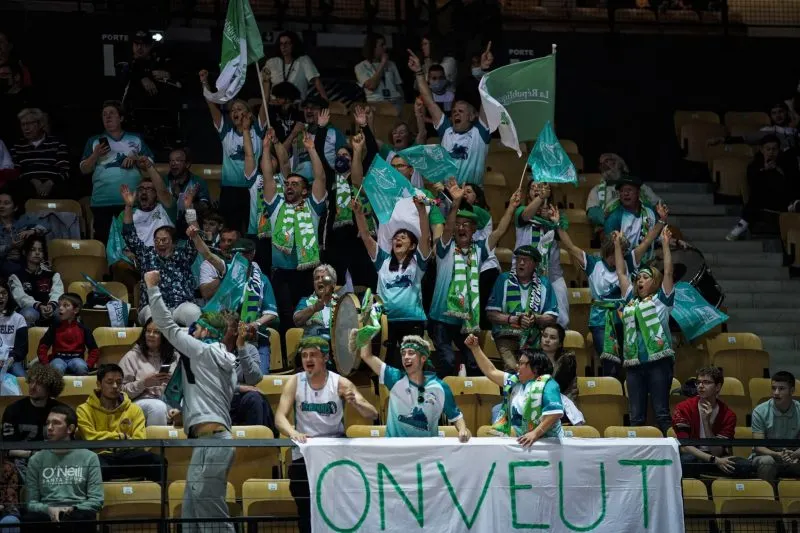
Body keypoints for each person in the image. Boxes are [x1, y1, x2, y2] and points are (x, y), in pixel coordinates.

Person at [144, 269, 238, 533]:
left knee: (211, 513)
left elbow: (168, 327)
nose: (190, 333)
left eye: (194, 329)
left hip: (215, 442)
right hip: (208, 440)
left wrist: (153, 288)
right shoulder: (223, 361)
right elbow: (213, 399)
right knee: (191, 512)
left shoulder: (203, 351)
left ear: (206, 333)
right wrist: (186, 413)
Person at [275, 336, 378, 533]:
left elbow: (372, 413)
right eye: (304, 355)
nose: (307, 359)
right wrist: (292, 431)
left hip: (334, 456)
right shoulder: (295, 382)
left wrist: (355, 402)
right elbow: (279, 417)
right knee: (306, 513)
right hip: (304, 456)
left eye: (313, 354)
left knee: (336, 511)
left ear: (325, 358)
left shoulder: (340, 383)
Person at [553, 204, 667, 378]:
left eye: (624, 251)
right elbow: (570, 246)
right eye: (618, 251)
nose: (622, 255)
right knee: (610, 361)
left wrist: (660, 221)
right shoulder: (593, 263)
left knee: (627, 360)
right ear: (609, 250)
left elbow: (647, 242)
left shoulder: (629, 261)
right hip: (601, 319)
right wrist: (557, 224)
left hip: (625, 317)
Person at [353, 195, 431, 367]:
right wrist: (359, 214)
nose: (398, 239)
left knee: (413, 364)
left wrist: (421, 212)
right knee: (385, 365)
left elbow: (425, 237)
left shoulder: (418, 262)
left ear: (412, 245)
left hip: (412, 321)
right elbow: (366, 237)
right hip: (385, 323)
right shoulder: (382, 260)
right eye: (396, 237)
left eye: (403, 237)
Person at [263, 130, 328, 331]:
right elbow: (267, 176)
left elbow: (320, 178)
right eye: (287, 184)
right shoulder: (276, 207)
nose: (289, 186)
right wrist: (266, 148)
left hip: (307, 273)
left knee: (306, 318)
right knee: (285, 320)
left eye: (295, 184)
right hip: (281, 274)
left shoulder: (313, 207)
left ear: (305, 190)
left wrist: (311, 149)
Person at [428, 179, 494, 376]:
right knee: (447, 361)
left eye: (466, 224)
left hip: (465, 320)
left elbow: (498, 234)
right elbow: (447, 229)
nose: (461, 228)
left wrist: (512, 208)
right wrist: (455, 203)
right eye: (458, 224)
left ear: (474, 229)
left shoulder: (479, 250)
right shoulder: (444, 248)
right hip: (440, 319)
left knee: (475, 364)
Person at [615, 227, 675, 433]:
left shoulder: (662, 300)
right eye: (638, 277)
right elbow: (620, 272)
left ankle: (676, 453)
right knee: (636, 416)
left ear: (655, 282)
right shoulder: (630, 301)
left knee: (661, 413)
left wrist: (665, 243)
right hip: (634, 366)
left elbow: (668, 271)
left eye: (645, 277)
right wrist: (617, 246)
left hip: (658, 364)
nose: (640, 280)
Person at [121, 188, 208, 326]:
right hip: (152, 306)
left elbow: (195, 235)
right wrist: (128, 206)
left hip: (180, 305)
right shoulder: (146, 254)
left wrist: (188, 208)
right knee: (153, 317)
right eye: (157, 240)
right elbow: (128, 234)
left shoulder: (183, 255)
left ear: (173, 243)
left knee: (195, 314)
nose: (160, 243)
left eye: (164, 240)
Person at [358, 335, 470, 440]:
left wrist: (462, 430)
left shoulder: (440, 387)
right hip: (395, 450)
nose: (406, 357)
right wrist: (366, 332)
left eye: (411, 353)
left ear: (423, 358)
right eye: (403, 354)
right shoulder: (394, 378)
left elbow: (456, 416)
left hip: (426, 452)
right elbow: (366, 355)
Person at [198, 68, 268, 234]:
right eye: (233, 110)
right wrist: (204, 83)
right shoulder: (225, 132)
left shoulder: (257, 130)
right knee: (229, 231)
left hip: (253, 189)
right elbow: (211, 104)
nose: (235, 112)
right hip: (230, 190)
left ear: (249, 114)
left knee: (254, 231)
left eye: (240, 109)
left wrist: (266, 82)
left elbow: (265, 103)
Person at [312, 111, 377, 289]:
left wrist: (364, 126)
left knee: (362, 282)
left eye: (346, 156)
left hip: (359, 234)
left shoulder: (360, 175)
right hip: (336, 237)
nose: (341, 158)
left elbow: (372, 151)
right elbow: (318, 151)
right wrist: (322, 128)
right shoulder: (331, 177)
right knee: (335, 284)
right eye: (339, 155)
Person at [408, 47, 492, 186]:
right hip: (447, 197)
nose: (456, 113)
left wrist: (483, 71)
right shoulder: (447, 129)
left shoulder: (480, 132)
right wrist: (418, 72)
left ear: (472, 116)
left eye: (461, 111)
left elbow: (487, 99)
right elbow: (429, 101)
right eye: (454, 112)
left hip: (471, 198)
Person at [465, 334, 564, 445]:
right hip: (524, 438)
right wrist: (475, 348)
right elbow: (491, 371)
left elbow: (554, 413)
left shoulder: (548, 384)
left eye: (522, 363)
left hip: (548, 441)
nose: (517, 366)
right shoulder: (514, 381)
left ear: (535, 369)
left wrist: (535, 434)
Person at [79, 100, 153, 243]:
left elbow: (150, 165)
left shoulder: (136, 139)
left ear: (121, 118)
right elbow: (84, 170)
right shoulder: (94, 141)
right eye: (104, 115)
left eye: (112, 113)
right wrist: (95, 155)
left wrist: (136, 159)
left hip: (132, 202)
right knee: (105, 243)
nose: (107, 117)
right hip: (102, 203)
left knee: (133, 243)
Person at [76, 363, 165, 482]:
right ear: (98, 384)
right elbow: (90, 437)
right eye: (109, 382)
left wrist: (113, 443)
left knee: (158, 462)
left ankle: (159, 499)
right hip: (100, 455)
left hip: (129, 455)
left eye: (119, 382)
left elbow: (139, 440)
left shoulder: (134, 409)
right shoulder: (84, 409)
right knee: (97, 466)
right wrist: (120, 437)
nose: (114, 386)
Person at [22, 404, 104, 533]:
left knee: (82, 518)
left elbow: (96, 500)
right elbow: (31, 502)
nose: (49, 428)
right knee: (31, 519)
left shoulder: (89, 457)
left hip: (77, 511)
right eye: (48, 423)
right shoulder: (36, 459)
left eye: (56, 423)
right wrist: (47, 509)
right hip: (47, 510)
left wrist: (71, 508)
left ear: (70, 429)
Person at [486, 245, 558, 370]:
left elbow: (552, 317)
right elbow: (491, 314)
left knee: (533, 371)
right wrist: (513, 319)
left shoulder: (544, 283)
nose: (521, 262)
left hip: (533, 338)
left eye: (526, 260)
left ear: (535, 264)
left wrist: (535, 319)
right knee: (514, 371)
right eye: (518, 259)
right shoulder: (503, 279)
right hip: (506, 336)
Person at [673, 366, 750, 477]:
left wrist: (706, 422)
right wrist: (713, 460)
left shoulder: (728, 415)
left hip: (718, 457)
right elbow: (685, 446)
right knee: (686, 461)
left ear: (718, 387)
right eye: (698, 382)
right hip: (695, 455)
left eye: (706, 382)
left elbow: (717, 452)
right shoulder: (683, 408)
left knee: (744, 466)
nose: (700, 386)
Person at [514, 181, 569, 327]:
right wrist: (540, 200)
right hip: (524, 276)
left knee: (561, 320)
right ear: (528, 193)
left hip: (552, 276)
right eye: (533, 188)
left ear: (549, 193)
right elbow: (526, 216)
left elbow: (564, 238)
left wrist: (553, 222)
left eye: (541, 188)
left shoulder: (557, 216)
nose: (537, 190)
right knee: (524, 317)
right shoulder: (521, 211)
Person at [726, 134, 800, 241]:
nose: (771, 152)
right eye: (768, 149)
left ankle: (794, 204)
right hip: (764, 200)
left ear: (779, 150)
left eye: (774, 149)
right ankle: (741, 225)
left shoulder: (785, 164)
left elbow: (792, 183)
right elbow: (753, 185)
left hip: (783, 198)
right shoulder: (754, 166)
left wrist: (779, 171)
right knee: (758, 193)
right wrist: (764, 170)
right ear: (761, 150)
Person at [119, 312, 177, 426]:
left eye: (156, 332)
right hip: (140, 402)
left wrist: (173, 382)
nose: (150, 335)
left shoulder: (174, 356)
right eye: (148, 331)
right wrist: (143, 383)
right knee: (157, 407)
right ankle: (156, 443)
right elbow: (121, 391)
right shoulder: (132, 356)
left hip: (168, 400)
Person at [2, 365, 66, 462]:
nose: (32, 386)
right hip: (21, 461)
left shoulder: (62, 411)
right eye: (31, 381)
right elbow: (7, 448)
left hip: (55, 460)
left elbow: (68, 444)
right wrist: (33, 454)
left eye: (39, 383)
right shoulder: (13, 410)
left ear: (50, 387)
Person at [224, 316, 275, 432]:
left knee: (255, 399)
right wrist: (240, 387)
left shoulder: (250, 349)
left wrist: (241, 347)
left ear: (235, 331)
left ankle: (261, 445)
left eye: (225, 328)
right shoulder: (211, 350)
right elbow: (212, 384)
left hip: (239, 400)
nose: (220, 331)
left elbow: (254, 379)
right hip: (218, 398)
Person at [585, 153, 660, 230]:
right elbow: (593, 214)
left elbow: (658, 205)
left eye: (609, 161)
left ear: (620, 165)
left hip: (642, 225)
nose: (605, 165)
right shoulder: (596, 190)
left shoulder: (640, 187)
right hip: (612, 229)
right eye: (602, 164)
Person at [749, 371, 800, 484]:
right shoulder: (760, 411)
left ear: (792, 391)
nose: (776, 393)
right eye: (773, 388)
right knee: (767, 461)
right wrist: (778, 455)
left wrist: (795, 454)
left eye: (781, 389)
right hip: (766, 456)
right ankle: (768, 497)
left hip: (793, 456)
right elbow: (759, 447)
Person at [11, 108, 69, 198]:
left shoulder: (58, 143)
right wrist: (34, 180)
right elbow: (16, 172)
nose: (26, 128)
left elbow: (65, 170)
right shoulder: (17, 147)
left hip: (55, 189)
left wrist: (50, 183)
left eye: (30, 123)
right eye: (23, 124)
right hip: (27, 192)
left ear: (40, 124)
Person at [9, 234, 64, 327]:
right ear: (25, 252)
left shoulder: (53, 275)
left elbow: (57, 293)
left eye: (40, 250)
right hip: (30, 309)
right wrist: (38, 306)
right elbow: (20, 297)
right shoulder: (15, 276)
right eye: (33, 250)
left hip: (50, 308)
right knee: (28, 314)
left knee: (63, 313)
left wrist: (51, 306)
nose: (37, 253)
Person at [37, 293, 99, 376]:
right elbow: (43, 347)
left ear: (75, 310)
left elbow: (94, 350)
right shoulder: (54, 327)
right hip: (58, 358)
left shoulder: (84, 329)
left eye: (65, 305)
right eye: (60, 305)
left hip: (77, 358)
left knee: (81, 367)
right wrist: (45, 364)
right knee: (57, 368)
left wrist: (89, 365)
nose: (60, 308)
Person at [604, 175, 661, 264]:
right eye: (622, 191)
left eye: (629, 190)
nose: (625, 194)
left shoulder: (649, 210)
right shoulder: (614, 217)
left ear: (638, 192)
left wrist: (675, 241)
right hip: (625, 265)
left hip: (648, 266)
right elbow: (609, 249)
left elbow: (657, 237)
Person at [264, 31, 327, 101]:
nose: (283, 46)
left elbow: (316, 81)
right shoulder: (271, 62)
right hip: (275, 104)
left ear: (294, 44)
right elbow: (264, 82)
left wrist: (325, 101)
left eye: (287, 43)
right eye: (281, 44)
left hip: (297, 105)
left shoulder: (304, 60)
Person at [0, 190, 48, 277]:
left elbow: (47, 225)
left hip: (24, 261)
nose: (1, 206)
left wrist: (33, 230)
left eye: (6, 203)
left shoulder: (22, 220)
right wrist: (10, 246)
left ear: (15, 207)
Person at [355, 33, 404, 111]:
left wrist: (402, 102)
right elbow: (372, 86)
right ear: (373, 48)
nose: (385, 47)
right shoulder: (360, 67)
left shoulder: (391, 64)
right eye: (382, 45)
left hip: (395, 102)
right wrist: (382, 64)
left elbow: (399, 87)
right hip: (376, 103)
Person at [164, 147, 211, 223]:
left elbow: (205, 207)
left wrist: (183, 199)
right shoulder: (163, 181)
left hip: (190, 223)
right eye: (171, 160)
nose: (173, 164)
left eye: (178, 160)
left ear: (187, 164)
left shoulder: (197, 182)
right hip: (166, 225)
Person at [293, 264, 338, 340]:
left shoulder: (341, 303)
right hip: (314, 346)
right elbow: (297, 321)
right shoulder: (305, 301)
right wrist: (314, 308)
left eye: (324, 277)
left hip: (337, 345)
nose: (320, 280)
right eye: (317, 278)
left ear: (333, 284)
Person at [198, 227, 239, 301]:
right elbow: (205, 294)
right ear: (219, 243)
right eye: (223, 240)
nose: (226, 244)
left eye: (230, 241)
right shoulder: (208, 264)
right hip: (217, 310)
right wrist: (224, 277)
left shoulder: (249, 264)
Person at [0, 279, 27, 378]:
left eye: (4, 293)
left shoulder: (18, 318)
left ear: (8, 295)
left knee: (23, 379)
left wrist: (11, 358)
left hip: (11, 359)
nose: (1, 297)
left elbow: (22, 348)